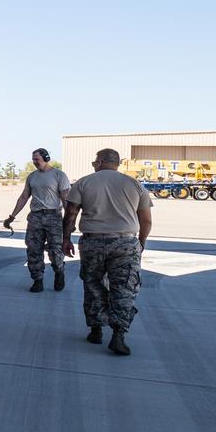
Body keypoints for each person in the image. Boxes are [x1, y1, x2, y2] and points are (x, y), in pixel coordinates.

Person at [62, 148, 152, 356]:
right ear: (117, 163)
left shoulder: (83, 183)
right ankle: (118, 335)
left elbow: (70, 214)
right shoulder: (134, 184)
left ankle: (96, 330)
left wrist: (66, 239)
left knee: (93, 285)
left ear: (100, 161)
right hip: (125, 243)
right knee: (124, 289)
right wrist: (141, 242)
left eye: (96, 160)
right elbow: (146, 220)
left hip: (93, 242)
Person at [4, 148, 71, 292]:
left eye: (37, 159)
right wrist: (12, 216)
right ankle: (37, 280)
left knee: (55, 250)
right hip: (35, 217)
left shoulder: (59, 175)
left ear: (46, 158)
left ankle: (59, 272)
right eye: (33, 159)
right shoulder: (32, 177)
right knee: (33, 249)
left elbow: (66, 199)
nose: (34, 162)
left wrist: (69, 222)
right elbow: (23, 197)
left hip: (54, 216)